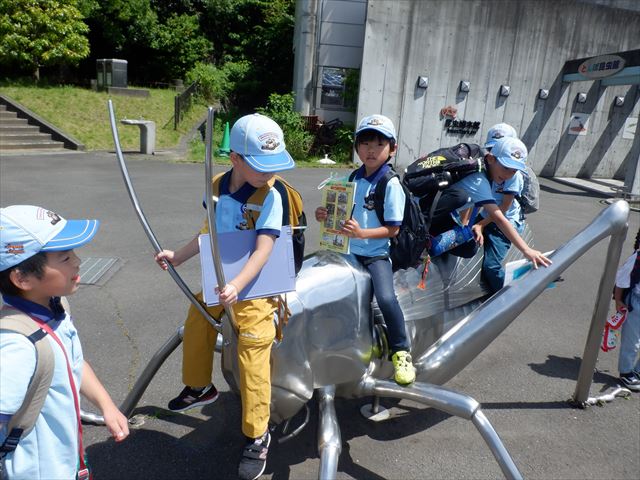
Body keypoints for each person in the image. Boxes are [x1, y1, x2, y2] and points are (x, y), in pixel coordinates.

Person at [154, 113, 295, 480]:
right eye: (261, 165)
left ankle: (257, 433)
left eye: (274, 164)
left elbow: (265, 248)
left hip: (257, 284)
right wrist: (178, 256)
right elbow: (209, 233)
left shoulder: (273, 194)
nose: (269, 172)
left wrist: (238, 285)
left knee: (252, 349)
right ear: (235, 159)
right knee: (198, 317)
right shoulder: (216, 185)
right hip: (223, 277)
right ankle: (200, 386)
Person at [0, 205, 129, 480]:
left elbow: (74, 363)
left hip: (68, 460)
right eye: (65, 257)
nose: (78, 262)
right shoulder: (17, 346)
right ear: (21, 278)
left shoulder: (57, 310)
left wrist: (106, 405)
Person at [314, 114, 416, 386]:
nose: (371, 150)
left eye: (379, 145)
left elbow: (393, 229)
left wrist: (362, 233)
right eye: (365, 143)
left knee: (384, 298)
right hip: (348, 250)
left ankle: (401, 351)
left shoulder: (390, 183)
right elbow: (342, 215)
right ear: (357, 147)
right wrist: (325, 214)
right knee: (330, 292)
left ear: (392, 149)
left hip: (375, 254)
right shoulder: (353, 177)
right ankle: (342, 342)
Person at [426, 136, 551, 269]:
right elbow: (499, 218)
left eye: (513, 171)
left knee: (469, 247)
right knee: (491, 265)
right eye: (505, 167)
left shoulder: (489, 174)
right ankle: (421, 242)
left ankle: (430, 246)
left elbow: (473, 205)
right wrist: (527, 250)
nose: (508, 175)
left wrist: (466, 225)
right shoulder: (479, 179)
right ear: (490, 158)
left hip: (441, 212)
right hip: (426, 213)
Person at [472, 123, 526, 293]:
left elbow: (503, 209)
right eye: (491, 150)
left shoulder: (511, 174)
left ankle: (505, 297)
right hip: (489, 215)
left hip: (503, 221)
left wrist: (481, 224)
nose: (493, 159)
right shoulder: (483, 168)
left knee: (492, 266)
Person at [612, 227, 640, 391]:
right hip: (636, 303)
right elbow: (622, 278)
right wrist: (619, 300)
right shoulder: (638, 257)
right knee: (632, 341)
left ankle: (637, 371)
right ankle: (626, 372)